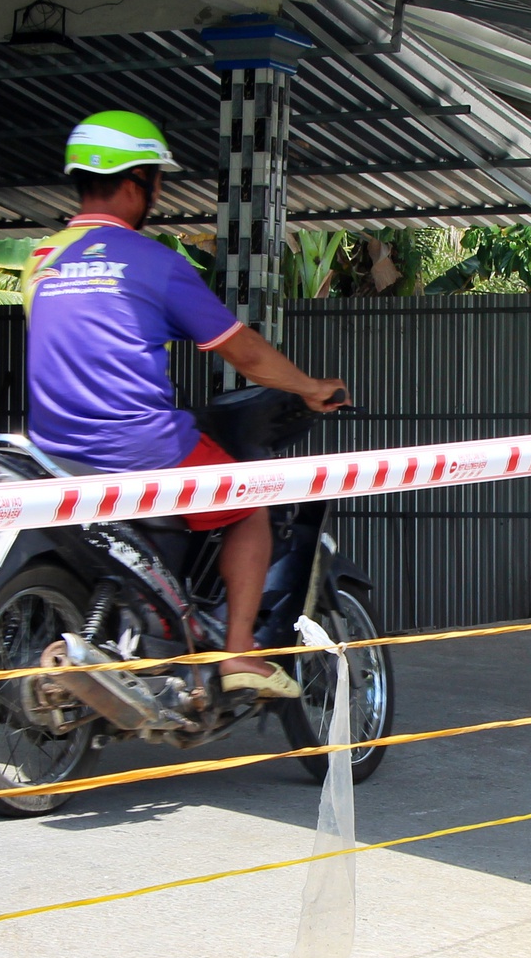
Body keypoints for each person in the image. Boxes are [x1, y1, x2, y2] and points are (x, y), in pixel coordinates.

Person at [21, 110, 348, 700]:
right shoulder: (156, 263)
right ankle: (239, 652)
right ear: (132, 185)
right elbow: (243, 353)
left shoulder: (42, 262)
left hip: (52, 450)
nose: (157, 193)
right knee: (249, 504)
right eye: (155, 182)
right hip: (139, 445)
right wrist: (309, 387)